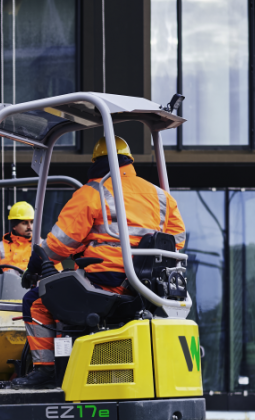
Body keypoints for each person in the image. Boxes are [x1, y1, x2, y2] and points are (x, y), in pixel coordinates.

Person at [12, 135, 187, 388]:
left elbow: (60, 243)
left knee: (36, 301)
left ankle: (46, 372)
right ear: (129, 161)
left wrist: (37, 264)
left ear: (97, 161)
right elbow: (176, 241)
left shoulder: (93, 192)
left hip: (107, 281)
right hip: (146, 288)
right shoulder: (161, 196)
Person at [0, 201, 35, 274]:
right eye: (24, 223)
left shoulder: (42, 246)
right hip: (6, 285)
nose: (30, 227)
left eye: (32, 222)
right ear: (14, 226)